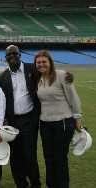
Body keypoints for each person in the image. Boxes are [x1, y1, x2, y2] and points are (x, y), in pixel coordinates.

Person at [33, 50, 82, 188]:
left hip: (63, 123)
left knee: (60, 158)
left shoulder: (62, 75)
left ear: (50, 63)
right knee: (48, 158)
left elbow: (74, 98)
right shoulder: (38, 79)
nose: (41, 64)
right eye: (38, 62)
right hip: (45, 124)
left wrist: (77, 118)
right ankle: (51, 184)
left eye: (44, 61)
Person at [0, 45, 41, 188]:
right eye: (9, 55)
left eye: (15, 53)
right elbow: (1, 100)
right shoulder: (3, 77)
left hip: (29, 120)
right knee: (15, 157)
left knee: (30, 155)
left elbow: (48, 72)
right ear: (6, 58)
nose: (12, 56)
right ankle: (21, 184)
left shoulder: (32, 69)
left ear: (20, 55)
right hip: (12, 122)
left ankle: (35, 183)